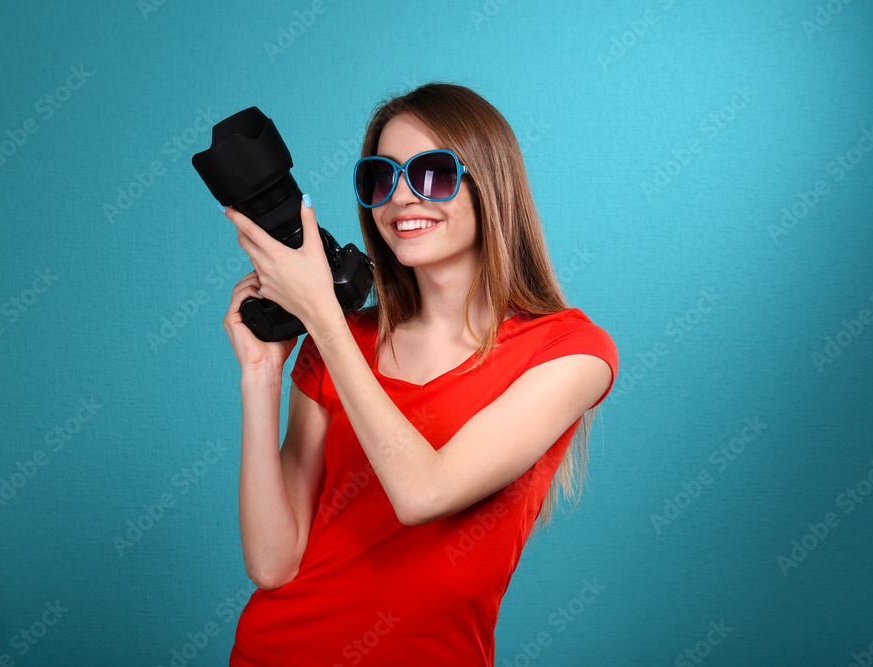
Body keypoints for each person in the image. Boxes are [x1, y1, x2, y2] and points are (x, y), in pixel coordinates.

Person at [222, 83, 618, 667]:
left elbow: (424, 491)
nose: (402, 199)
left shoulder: (568, 351)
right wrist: (260, 375)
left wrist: (325, 322)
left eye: (431, 174)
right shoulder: (348, 341)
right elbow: (273, 563)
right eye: (380, 179)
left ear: (491, 185)